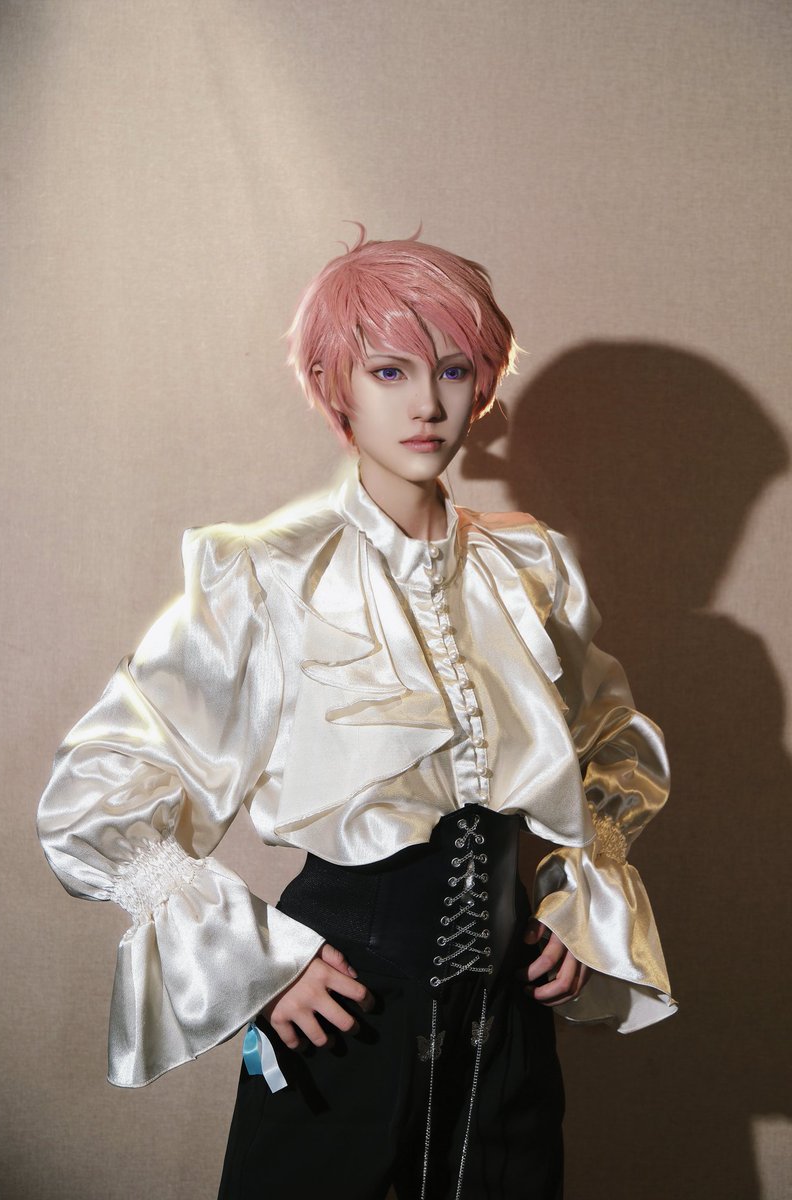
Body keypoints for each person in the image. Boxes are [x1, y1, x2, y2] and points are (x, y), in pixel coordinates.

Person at [37, 230, 676, 1200]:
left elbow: (609, 743)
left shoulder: (526, 566)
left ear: (483, 383)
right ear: (333, 384)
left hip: (506, 1026)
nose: (427, 404)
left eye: (452, 370)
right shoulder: (267, 572)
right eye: (389, 371)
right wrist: (259, 966)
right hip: (342, 1011)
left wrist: (581, 904)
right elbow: (97, 796)